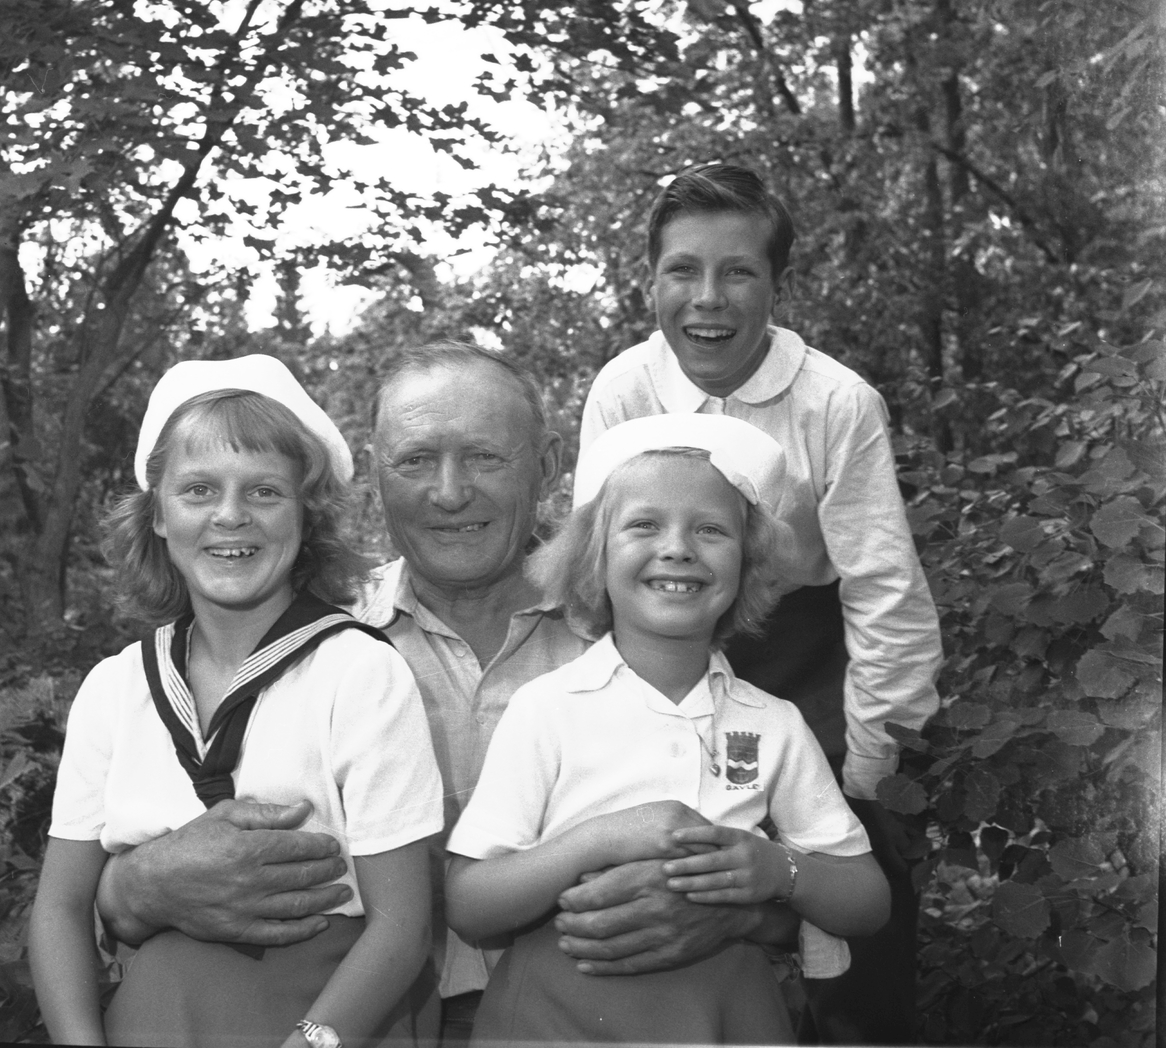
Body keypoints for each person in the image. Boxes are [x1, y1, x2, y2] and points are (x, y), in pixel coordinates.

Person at [90, 344, 803, 1043]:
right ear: (375, 476)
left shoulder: (652, 635)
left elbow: (783, 863)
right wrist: (131, 888)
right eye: (416, 460)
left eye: (485, 457)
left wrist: (743, 913)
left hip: (589, 1017)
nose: (451, 491)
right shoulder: (304, 647)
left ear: (549, 466)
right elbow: (165, 851)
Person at [577, 163, 943, 1044]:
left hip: (808, 658)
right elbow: (593, 572)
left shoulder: (835, 402)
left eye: (737, 271)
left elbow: (884, 591)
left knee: (854, 911)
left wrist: (870, 775)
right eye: (682, 270)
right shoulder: (624, 391)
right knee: (676, 886)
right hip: (662, 656)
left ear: (777, 286)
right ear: (650, 280)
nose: (708, 299)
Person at [30, 356, 444, 1048]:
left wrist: (310, 1041)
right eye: (198, 490)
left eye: (264, 492)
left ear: (306, 515)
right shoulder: (115, 688)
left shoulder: (359, 674)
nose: (229, 515)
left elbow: (402, 926)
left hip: (326, 1022)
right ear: (158, 516)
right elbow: (60, 910)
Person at [446, 414, 890, 1045]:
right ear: (594, 556)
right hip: (557, 1019)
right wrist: (598, 839)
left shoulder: (773, 723)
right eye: (645, 525)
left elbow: (867, 901)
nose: (678, 548)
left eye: (711, 529)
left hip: (730, 1020)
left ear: (749, 562)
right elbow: (469, 906)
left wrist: (778, 870)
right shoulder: (546, 709)